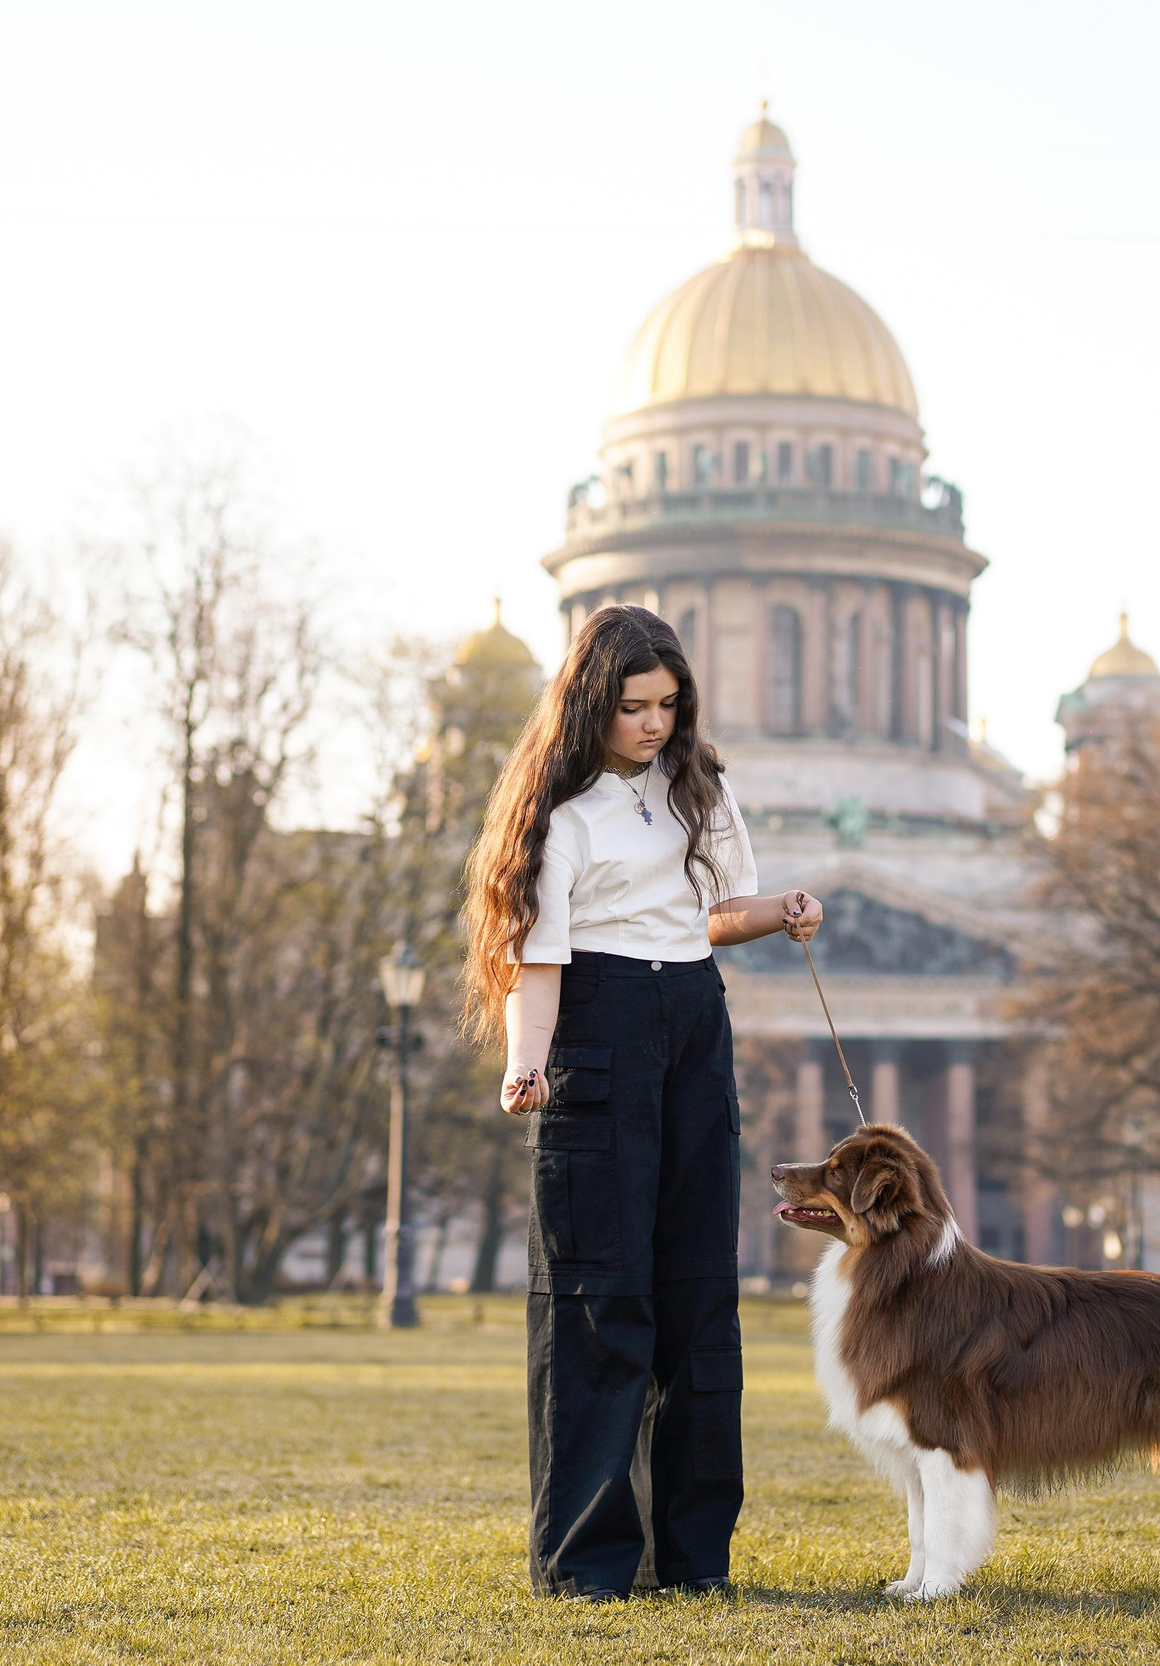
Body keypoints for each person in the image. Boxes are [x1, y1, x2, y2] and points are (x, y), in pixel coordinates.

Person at [462, 603, 823, 1601]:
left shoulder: (699, 785)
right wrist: (524, 1060)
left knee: (699, 1293)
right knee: (598, 1294)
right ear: (592, 704)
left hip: (693, 1019)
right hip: (598, 1022)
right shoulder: (560, 810)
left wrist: (782, 910)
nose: (654, 723)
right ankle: (586, 1559)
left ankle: (693, 1554)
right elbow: (535, 952)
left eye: (667, 704)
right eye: (633, 707)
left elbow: (711, 915)